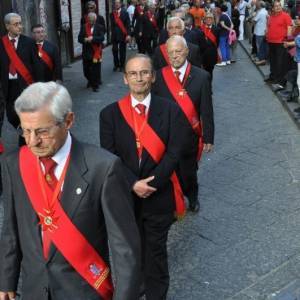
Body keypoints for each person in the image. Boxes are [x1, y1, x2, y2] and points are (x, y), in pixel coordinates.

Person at [0, 81, 141, 300]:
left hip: (83, 291)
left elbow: (124, 248)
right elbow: (11, 229)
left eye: (42, 131)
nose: (32, 141)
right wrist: (6, 281)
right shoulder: (14, 163)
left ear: (68, 121)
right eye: (25, 131)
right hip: (34, 290)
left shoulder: (103, 167)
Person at [100, 54, 186, 300]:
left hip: (158, 198)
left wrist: (153, 184)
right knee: (130, 251)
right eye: (134, 74)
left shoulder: (170, 110)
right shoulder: (109, 115)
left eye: (144, 72)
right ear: (125, 79)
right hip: (126, 198)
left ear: (153, 76)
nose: (139, 78)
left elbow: (174, 152)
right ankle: (135, 288)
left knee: (155, 253)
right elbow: (110, 155)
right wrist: (133, 183)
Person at [152, 35, 214, 212]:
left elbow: (207, 110)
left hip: (190, 136)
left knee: (188, 173)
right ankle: (174, 201)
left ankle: (192, 197)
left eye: (178, 51)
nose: (174, 56)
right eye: (170, 53)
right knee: (170, 172)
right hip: (166, 136)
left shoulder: (202, 76)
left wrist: (208, 137)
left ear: (187, 51)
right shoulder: (160, 76)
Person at [0, 13, 39, 131]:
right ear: (7, 26)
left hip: (25, 85)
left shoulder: (29, 42)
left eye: (20, 23)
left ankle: (24, 139)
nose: (20, 27)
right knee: (11, 116)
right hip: (8, 86)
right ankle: (22, 130)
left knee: (25, 114)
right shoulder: (1, 43)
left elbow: (36, 66)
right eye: (16, 24)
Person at [265, 0, 292, 88]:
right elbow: (268, 27)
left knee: (281, 62)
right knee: (273, 61)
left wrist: (288, 41)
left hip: (281, 42)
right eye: (276, 6)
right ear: (272, 8)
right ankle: (273, 77)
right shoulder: (271, 16)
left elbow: (289, 29)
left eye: (279, 5)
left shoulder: (286, 16)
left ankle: (281, 82)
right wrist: (267, 34)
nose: (278, 7)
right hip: (271, 42)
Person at [78, 12, 105, 92]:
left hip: (96, 51)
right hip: (86, 52)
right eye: (89, 20)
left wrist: (92, 39)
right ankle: (90, 80)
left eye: (92, 20)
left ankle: (95, 86)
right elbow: (79, 38)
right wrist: (84, 40)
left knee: (95, 70)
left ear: (95, 20)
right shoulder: (84, 27)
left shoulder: (99, 27)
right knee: (86, 71)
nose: (91, 22)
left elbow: (102, 38)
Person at [111, 0, 131, 72]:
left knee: (122, 51)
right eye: (115, 3)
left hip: (123, 35)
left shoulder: (125, 13)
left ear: (120, 4)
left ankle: (122, 65)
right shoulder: (112, 14)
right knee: (115, 50)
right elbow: (112, 26)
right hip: (114, 36)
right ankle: (116, 65)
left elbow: (128, 25)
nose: (116, 4)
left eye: (118, 3)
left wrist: (128, 34)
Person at [201, 12, 219, 79]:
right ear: (204, 20)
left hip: (212, 55)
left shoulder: (217, 29)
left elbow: (217, 43)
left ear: (213, 20)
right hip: (202, 55)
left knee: (210, 72)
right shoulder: (200, 29)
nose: (208, 20)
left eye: (210, 18)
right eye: (207, 18)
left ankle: (209, 87)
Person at [253, 0, 268, 65]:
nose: (257, 5)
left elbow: (254, 20)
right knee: (263, 46)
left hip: (259, 31)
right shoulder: (266, 12)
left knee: (259, 46)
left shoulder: (260, 12)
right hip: (264, 31)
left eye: (258, 4)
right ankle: (263, 58)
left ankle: (260, 58)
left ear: (260, 5)